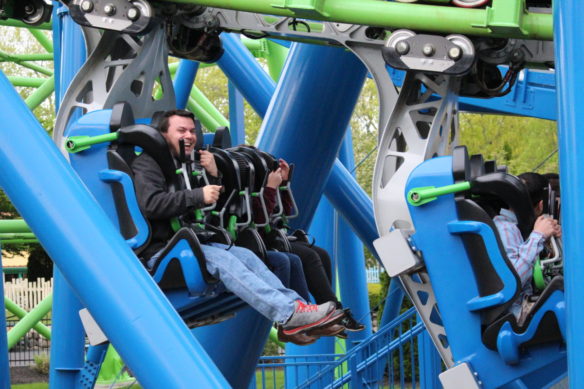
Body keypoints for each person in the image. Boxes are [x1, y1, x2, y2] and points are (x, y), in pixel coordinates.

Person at [131, 109, 344, 344]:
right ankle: (289, 314)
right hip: (162, 252)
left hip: (188, 242)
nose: (189, 136)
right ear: (162, 134)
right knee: (229, 261)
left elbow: (210, 205)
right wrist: (198, 195)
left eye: (192, 131)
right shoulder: (148, 165)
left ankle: (295, 309)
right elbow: (151, 204)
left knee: (247, 257)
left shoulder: (180, 165)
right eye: (181, 130)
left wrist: (213, 175)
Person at [251, 152, 365, 338]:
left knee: (322, 254)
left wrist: (284, 184)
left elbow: (285, 211)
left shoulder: (266, 189)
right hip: (260, 241)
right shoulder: (252, 191)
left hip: (274, 238)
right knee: (306, 257)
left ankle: (328, 310)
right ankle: (323, 314)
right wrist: (270, 188)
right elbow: (260, 218)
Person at [493, 172, 561, 323]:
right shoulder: (505, 229)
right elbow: (514, 279)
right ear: (541, 205)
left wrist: (547, 241)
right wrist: (538, 236)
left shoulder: (517, 228)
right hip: (517, 313)